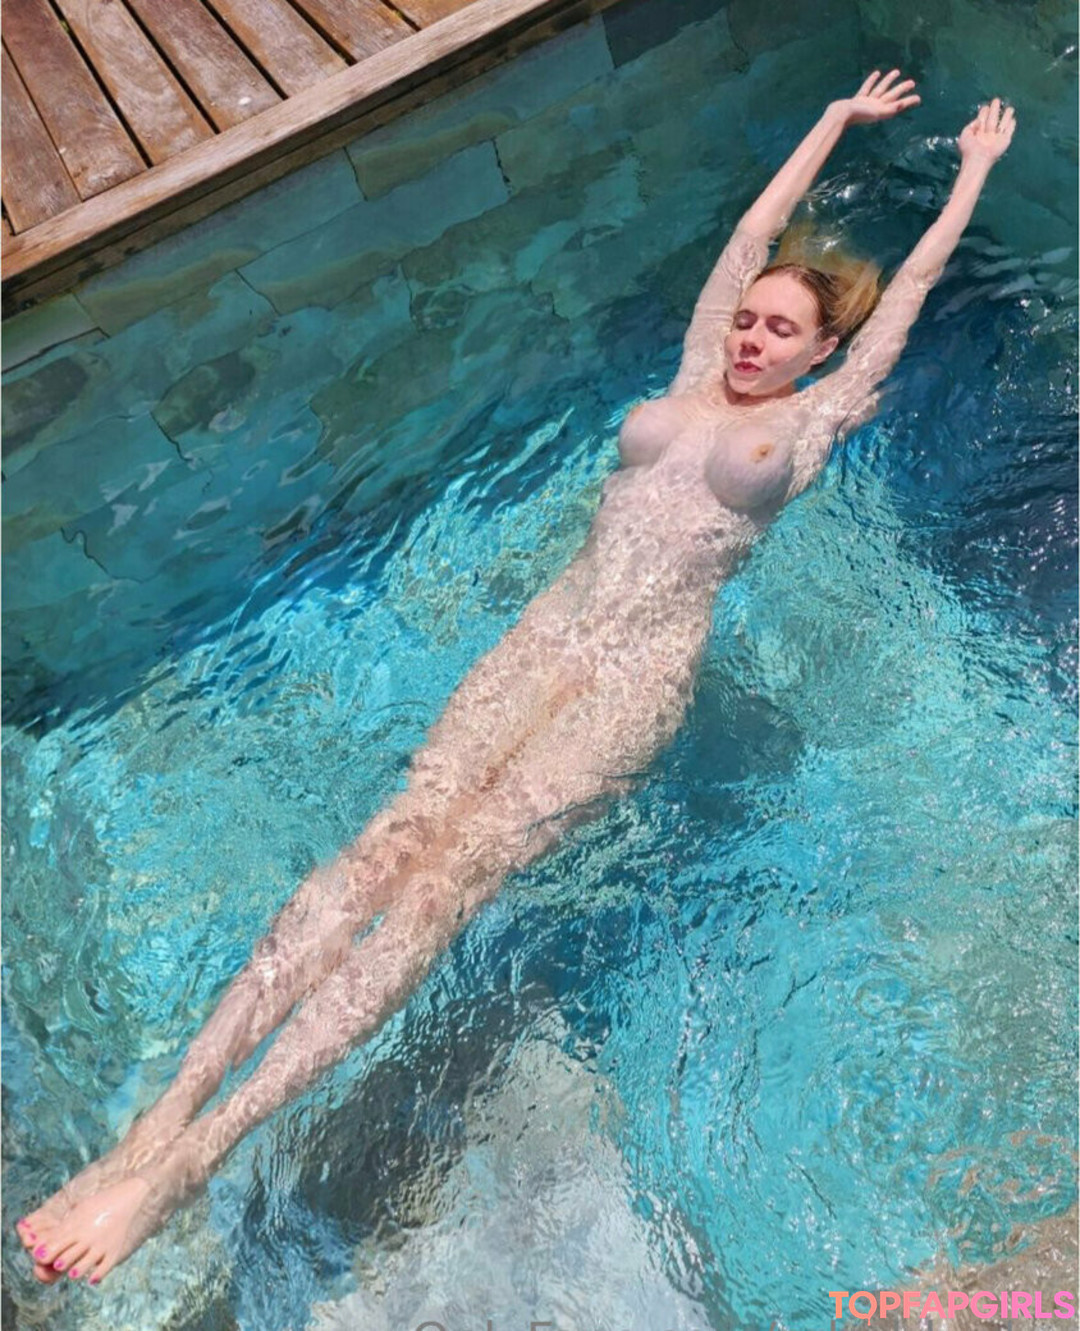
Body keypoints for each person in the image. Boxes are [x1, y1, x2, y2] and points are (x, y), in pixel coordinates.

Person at [16, 70, 1015, 1288]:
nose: (753, 340)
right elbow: (750, 235)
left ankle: (194, 1157)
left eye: (779, 332)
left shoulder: (810, 423)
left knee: (439, 888)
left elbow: (906, 295)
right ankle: (150, 1131)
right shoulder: (693, 374)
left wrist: (969, 174)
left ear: (824, 352)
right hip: (543, 640)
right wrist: (830, 122)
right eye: (750, 321)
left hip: (630, 682)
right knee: (384, 847)